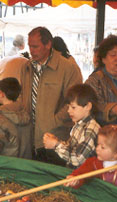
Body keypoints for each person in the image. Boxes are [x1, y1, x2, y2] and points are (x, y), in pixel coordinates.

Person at [19, 26, 82, 161]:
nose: (31, 51)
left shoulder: (68, 68)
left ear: (48, 45)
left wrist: (55, 121)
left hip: (55, 138)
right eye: (30, 46)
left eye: (35, 46)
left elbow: (75, 101)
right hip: (29, 137)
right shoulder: (27, 67)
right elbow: (23, 95)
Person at [65, 124, 117, 200]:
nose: (97, 148)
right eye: (98, 144)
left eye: (102, 147)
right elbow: (80, 174)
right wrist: (75, 179)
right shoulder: (93, 163)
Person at [43, 84, 100, 168]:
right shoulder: (79, 124)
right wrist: (56, 141)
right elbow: (71, 148)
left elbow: (78, 159)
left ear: (88, 106)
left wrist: (56, 144)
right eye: (68, 107)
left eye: (73, 107)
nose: (69, 110)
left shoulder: (91, 128)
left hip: (84, 178)